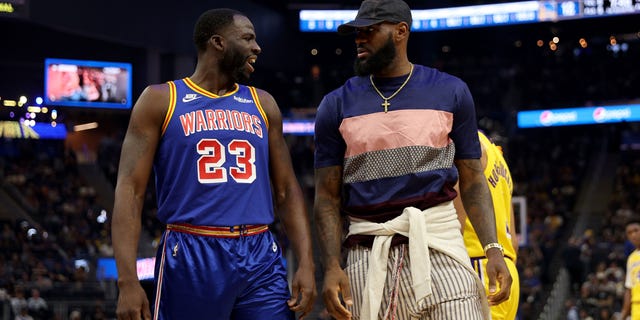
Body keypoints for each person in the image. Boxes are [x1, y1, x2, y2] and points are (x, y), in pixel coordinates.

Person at [112, 8, 316, 320]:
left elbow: (287, 189)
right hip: (192, 249)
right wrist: (127, 281)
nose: (257, 47)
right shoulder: (160, 100)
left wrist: (306, 262)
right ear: (217, 42)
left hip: (260, 250)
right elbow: (130, 191)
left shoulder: (263, 103)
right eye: (247, 38)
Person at [313, 0, 512, 319]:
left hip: (440, 242)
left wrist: (493, 249)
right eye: (356, 32)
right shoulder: (334, 105)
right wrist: (332, 266)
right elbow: (326, 197)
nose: (359, 39)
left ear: (400, 31)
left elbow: (473, 180)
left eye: (369, 31)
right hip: (368, 252)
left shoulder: (451, 91)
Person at [453, 131, 520, 320]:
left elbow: (456, 220)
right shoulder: (499, 158)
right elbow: (513, 241)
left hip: (479, 265)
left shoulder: (465, 143)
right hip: (505, 267)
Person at [620, 218, 640, 320]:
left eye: (636, 230)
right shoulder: (631, 258)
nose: (633, 235)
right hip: (636, 308)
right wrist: (623, 315)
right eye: (629, 233)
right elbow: (629, 288)